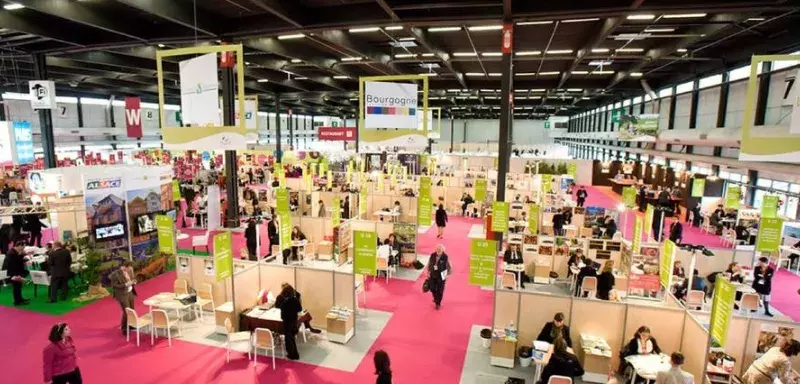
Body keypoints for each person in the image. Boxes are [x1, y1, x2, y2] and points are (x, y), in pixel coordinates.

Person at [274, 283, 302, 360]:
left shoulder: (285, 303)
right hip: (294, 321)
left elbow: (281, 312)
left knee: (288, 339)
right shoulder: (295, 300)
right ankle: (295, 354)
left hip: (287, 322)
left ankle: (291, 354)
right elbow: (299, 309)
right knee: (292, 338)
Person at [109, 261, 136, 335]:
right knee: (127, 311)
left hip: (130, 293)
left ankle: (131, 325)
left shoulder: (130, 271)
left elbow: (132, 278)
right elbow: (114, 286)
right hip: (122, 295)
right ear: (125, 267)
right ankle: (124, 328)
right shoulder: (115, 274)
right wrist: (125, 284)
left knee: (132, 310)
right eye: (129, 269)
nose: (130, 270)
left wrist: (133, 282)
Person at [426, 244, 452, 310]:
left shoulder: (445, 257)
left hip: (441, 276)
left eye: (440, 249)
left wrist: (446, 275)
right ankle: (435, 298)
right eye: (437, 248)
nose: (439, 249)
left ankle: (438, 303)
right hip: (433, 274)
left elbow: (449, 266)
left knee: (440, 290)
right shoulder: (432, 255)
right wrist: (428, 271)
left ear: (443, 250)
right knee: (432, 288)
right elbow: (429, 263)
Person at [4, 241, 29, 306]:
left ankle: (20, 299)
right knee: (16, 287)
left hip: (17, 272)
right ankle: (17, 301)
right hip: (14, 272)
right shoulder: (11, 253)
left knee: (19, 286)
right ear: (19, 246)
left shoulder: (14, 252)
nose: (23, 249)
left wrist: (21, 255)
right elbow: (15, 263)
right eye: (22, 247)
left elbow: (18, 261)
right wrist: (22, 256)